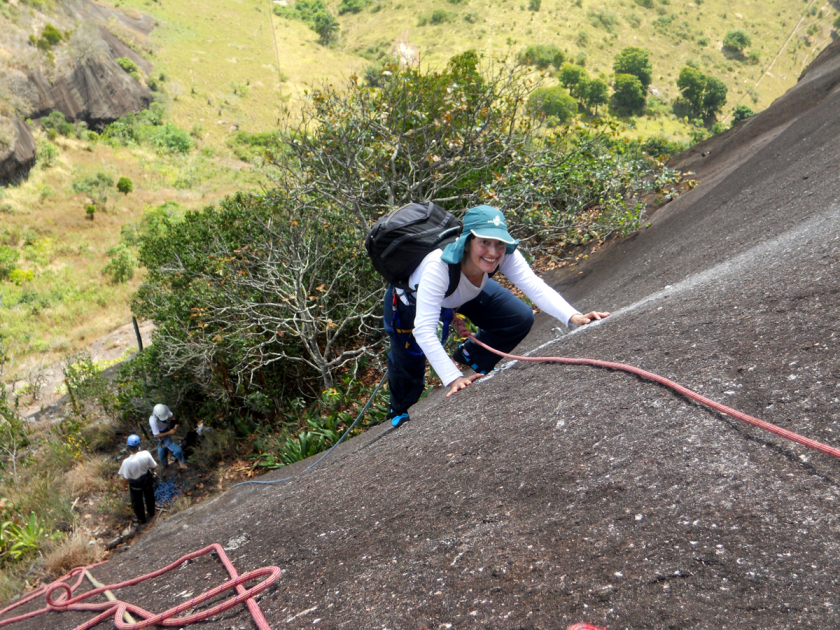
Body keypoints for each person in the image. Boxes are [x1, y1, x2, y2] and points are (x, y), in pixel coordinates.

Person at [383, 205, 610, 427]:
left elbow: (534, 286)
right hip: (410, 303)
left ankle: (470, 355)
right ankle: (400, 409)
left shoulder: (504, 254)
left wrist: (573, 317)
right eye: (484, 242)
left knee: (519, 317)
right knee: (408, 361)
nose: (493, 252)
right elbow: (423, 329)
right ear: (467, 241)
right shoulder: (438, 266)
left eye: (499, 243)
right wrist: (454, 378)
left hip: (460, 293)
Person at [117, 434, 157, 525]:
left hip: (135, 485)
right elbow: (154, 466)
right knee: (150, 497)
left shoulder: (126, 462)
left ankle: (141, 519)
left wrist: (124, 486)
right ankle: (151, 513)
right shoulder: (146, 454)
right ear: (138, 445)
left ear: (128, 447)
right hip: (147, 480)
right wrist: (152, 470)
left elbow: (126, 478)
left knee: (137, 503)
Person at [149, 403, 188, 470]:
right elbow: (157, 435)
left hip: (165, 429)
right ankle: (164, 464)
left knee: (177, 450)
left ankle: (182, 462)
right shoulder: (153, 421)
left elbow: (172, 417)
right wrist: (169, 432)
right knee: (162, 452)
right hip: (160, 434)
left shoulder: (164, 408)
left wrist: (176, 424)